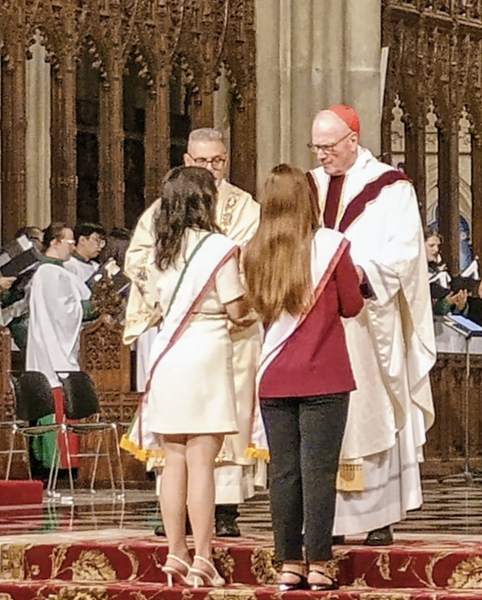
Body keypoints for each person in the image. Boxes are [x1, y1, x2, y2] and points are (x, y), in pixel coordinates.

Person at [123, 127, 261, 537]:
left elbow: (249, 257)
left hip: (228, 337)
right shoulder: (161, 211)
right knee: (183, 439)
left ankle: (226, 510)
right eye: (202, 161)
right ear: (187, 161)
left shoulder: (244, 206)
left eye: (218, 160)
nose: (211, 168)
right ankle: (183, 528)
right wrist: (169, 297)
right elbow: (138, 259)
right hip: (187, 327)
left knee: (221, 425)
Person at [308, 105, 436, 546]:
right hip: (318, 322)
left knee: (371, 409)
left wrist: (362, 274)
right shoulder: (310, 185)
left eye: (328, 146)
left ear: (352, 139)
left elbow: (406, 253)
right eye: (317, 147)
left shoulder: (389, 188)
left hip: (367, 317)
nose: (322, 155)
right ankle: (330, 519)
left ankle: (378, 514)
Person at [244, 165, 363, 591]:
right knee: (318, 472)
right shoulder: (331, 246)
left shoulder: (253, 251)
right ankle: (319, 564)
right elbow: (352, 305)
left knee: (284, 474)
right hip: (324, 377)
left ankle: (288, 562)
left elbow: (257, 307)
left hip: (275, 377)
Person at [139, 166, 251, 588]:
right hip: (205, 354)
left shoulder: (159, 251)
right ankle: (203, 556)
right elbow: (237, 309)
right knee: (202, 460)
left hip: (167, 356)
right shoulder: (218, 247)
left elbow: (155, 304)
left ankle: (175, 552)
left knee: (173, 462)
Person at [26, 223, 95, 471]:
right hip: (54, 350)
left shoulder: (55, 272)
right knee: (58, 400)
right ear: (55, 242)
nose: (73, 247)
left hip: (53, 346)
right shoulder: (49, 274)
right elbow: (65, 313)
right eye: (69, 242)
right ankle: (59, 464)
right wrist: (88, 308)